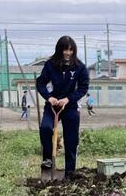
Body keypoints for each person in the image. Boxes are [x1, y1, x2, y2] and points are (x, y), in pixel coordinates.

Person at [36, 36, 90, 179]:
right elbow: (40, 83)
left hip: (70, 106)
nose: (67, 53)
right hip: (53, 105)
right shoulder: (50, 65)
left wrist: (68, 99)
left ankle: (69, 174)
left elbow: (83, 88)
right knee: (46, 128)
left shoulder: (79, 67)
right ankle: (48, 159)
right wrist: (49, 97)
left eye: (70, 50)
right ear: (59, 50)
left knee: (71, 140)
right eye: (65, 49)